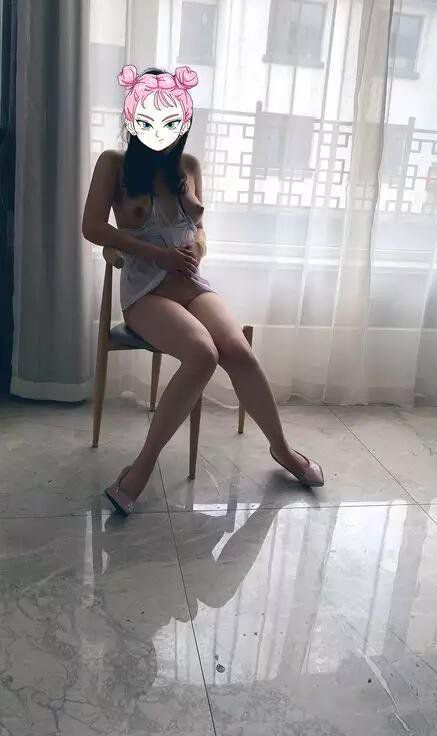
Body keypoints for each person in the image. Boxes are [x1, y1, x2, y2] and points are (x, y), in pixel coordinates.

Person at [81, 64, 324, 516]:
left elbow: (199, 230)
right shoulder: (114, 164)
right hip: (146, 292)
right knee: (202, 354)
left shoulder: (188, 167)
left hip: (191, 283)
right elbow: (92, 227)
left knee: (238, 351)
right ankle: (141, 467)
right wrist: (155, 254)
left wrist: (196, 248)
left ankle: (282, 449)